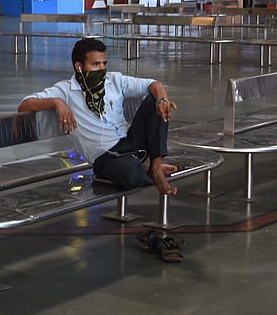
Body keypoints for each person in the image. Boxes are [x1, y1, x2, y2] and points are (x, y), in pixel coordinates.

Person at [18, 37, 184, 261]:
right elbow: (25, 105)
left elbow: (152, 85)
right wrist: (56, 103)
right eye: (96, 65)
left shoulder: (114, 81)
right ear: (79, 66)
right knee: (131, 176)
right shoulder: (66, 90)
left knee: (154, 103)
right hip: (105, 158)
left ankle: (154, 166)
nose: (102, 69)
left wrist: (162, 98)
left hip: (129, 144)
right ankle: (145, 168)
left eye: (104, 64)